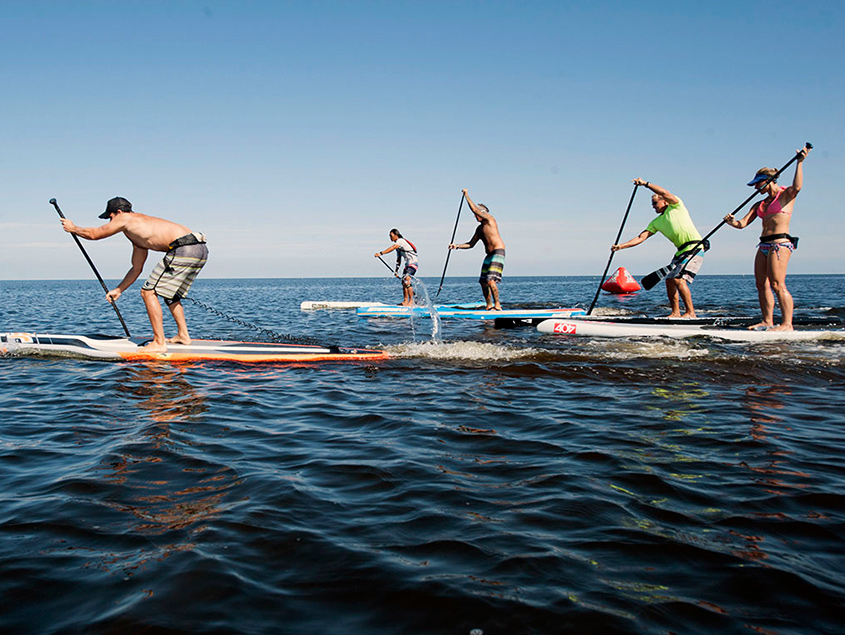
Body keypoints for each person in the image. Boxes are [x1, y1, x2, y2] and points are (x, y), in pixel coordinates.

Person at [61, 196, 208, 353]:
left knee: (148, 292)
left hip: (183, 248)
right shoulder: (138, 233)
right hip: (200, 249)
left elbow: (95, 234)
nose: (110, 222)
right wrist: (119, 290)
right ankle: (183, 335)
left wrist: (74, 228)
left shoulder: (126, 218)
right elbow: (136, 268)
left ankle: (159, 343)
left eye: (110, 217)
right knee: (170, 295)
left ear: (118, 212)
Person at [723, 146, 810, 331]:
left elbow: (798, 187)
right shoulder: (759, 204)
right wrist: (731, 222)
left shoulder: (786, 194)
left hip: (780, 244)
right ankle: (767, 321)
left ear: (767, 181)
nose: (755, 187)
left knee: (778, 284)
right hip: (763, 245)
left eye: (757, 184)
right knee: (761, 285)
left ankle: (787, 324)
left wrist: (800, 163)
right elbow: (742, 224)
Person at [612, 179, 705, 318]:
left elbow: (664, 192)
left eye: (655, 203)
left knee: (679, 280)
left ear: (665, 201)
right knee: (669, 280)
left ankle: (691, 313)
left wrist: (645, 184)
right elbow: (640, 237)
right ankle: (675, 313)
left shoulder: (676, 206)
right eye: (652, 205)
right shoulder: (656, 222)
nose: (653, 207)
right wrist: (621, 246)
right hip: (681, 251)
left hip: (694, 247)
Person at [448, 189, 506, 310]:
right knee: (483, 281)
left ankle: (498, 305)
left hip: (498, 252)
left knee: (490, 280)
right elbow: (471, 244)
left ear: (482, 213)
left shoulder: (490, 219)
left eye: (477, 214)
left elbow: (474, 208)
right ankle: (489, 305)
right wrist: (456, 246)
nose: (475, 216)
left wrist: (466, 196)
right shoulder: (479, 229)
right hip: (489, 255)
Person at [374, 229, 418, 306]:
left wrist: (381, 253)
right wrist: (396, 271)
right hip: (407, 265)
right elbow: (398, 260)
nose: (390, 238)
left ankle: (411, 301)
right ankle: (405, 301)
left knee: (407, 280)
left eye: (391, 236)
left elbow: (393, 247)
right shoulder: (398, 248)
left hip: (413, 264)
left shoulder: (400, 241)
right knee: (403, 282)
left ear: (396, 235)